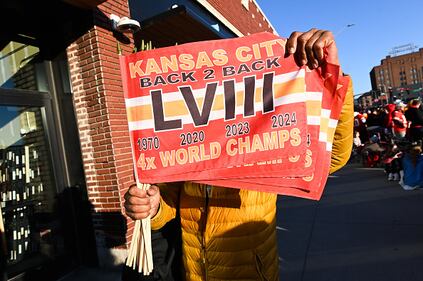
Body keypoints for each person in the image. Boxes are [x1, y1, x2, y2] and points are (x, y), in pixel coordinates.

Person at [124, 29, 354, 281]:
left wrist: (333, 75)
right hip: (193, 273)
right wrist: (154, 207)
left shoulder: (263, 142)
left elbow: (331, 158)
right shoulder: (187, 142)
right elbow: (169, 203)